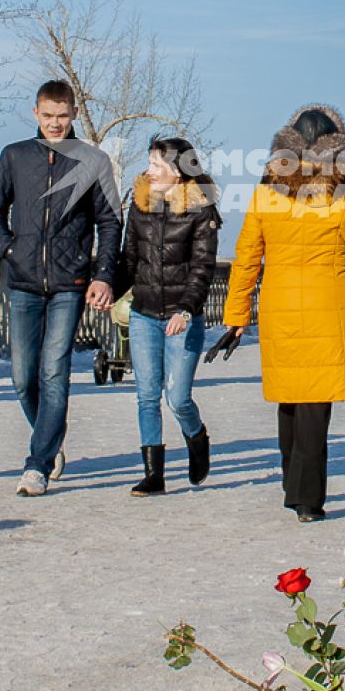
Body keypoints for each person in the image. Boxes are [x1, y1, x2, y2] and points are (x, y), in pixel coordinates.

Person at [224, 105, 345, 523]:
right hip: (331, 306)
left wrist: (236, 315)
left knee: (290, 398)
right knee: (315, 405)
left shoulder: (266, 192)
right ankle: (307, 498)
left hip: (280, 305)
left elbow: (247, 257)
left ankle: (293, 482)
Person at [0, 81, 120, 497]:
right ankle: (50, 436)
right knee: (23, 376)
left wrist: (103, 274)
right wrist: (8, 247)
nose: (55, 123)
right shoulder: (14, 156)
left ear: (74, 113)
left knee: (54, 371)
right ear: (35, 113)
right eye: (48, 116)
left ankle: (37, 463)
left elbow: (110, 221)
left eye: (62, 116)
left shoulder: (93, 161)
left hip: (70, 282)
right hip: (22, 280)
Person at [120, 136, 220, 496]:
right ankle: (153, 474)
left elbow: (202, 269)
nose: (149, 171)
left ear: (178, 172)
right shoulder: (139, 203)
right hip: (144, 313)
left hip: (182, 316)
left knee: (177, 398)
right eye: (149, 163)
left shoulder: (201, 210)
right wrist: (105, 287)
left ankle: (197, 438)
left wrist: (186, 309)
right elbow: (129, 259)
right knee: (147, 396)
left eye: (157, 165)